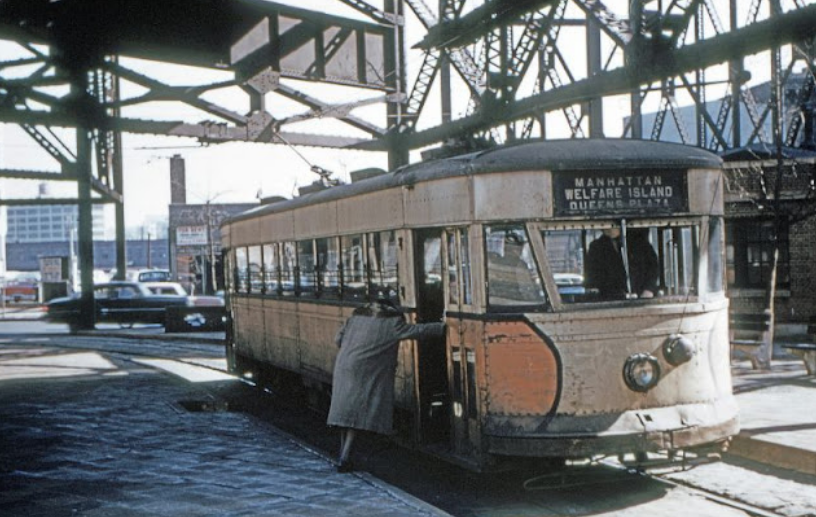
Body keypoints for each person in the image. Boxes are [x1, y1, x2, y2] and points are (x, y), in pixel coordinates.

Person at [327, 297, 445, 473]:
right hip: (365, 371)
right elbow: (417, 331)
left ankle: (343, 456)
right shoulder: (392, 323)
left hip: (344, 366)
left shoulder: (355, 318)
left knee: (346, 415)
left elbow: (338, 339)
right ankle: (344, 460)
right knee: (355, 418)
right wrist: (442, 327)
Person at [585, 227, 658, 300]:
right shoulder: (596, 247)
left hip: (640, 297)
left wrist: (649, 290)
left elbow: (653, 267)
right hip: (610, 301)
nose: (608, 228)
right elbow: (592, 276)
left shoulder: (639, 243)